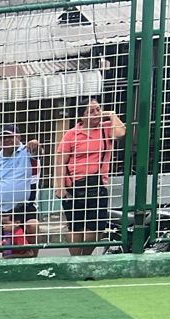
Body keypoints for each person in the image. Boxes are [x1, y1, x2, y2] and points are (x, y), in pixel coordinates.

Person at [55, 98, 126, 256]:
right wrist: (60, 187)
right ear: (82, 116)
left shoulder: (105, 129)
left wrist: (111, 115)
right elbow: (60, 161)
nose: (96, 113)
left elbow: (121, 133)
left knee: (97, 227)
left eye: (98, 109)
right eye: (91, 111)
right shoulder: (71, 134)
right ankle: (76, 259)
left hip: (97, 185)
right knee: (76, 226)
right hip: (74, 185)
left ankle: (85, 257)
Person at [0, 126, 41, 258]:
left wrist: (35, 144)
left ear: (18, 137)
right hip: (1, 209)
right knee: (7, 249)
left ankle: (34, 260)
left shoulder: (27, 151)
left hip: (24, 206)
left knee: (32, 226)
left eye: (10, 136)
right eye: (3, 137)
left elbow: (37, 150)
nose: (6, 140)